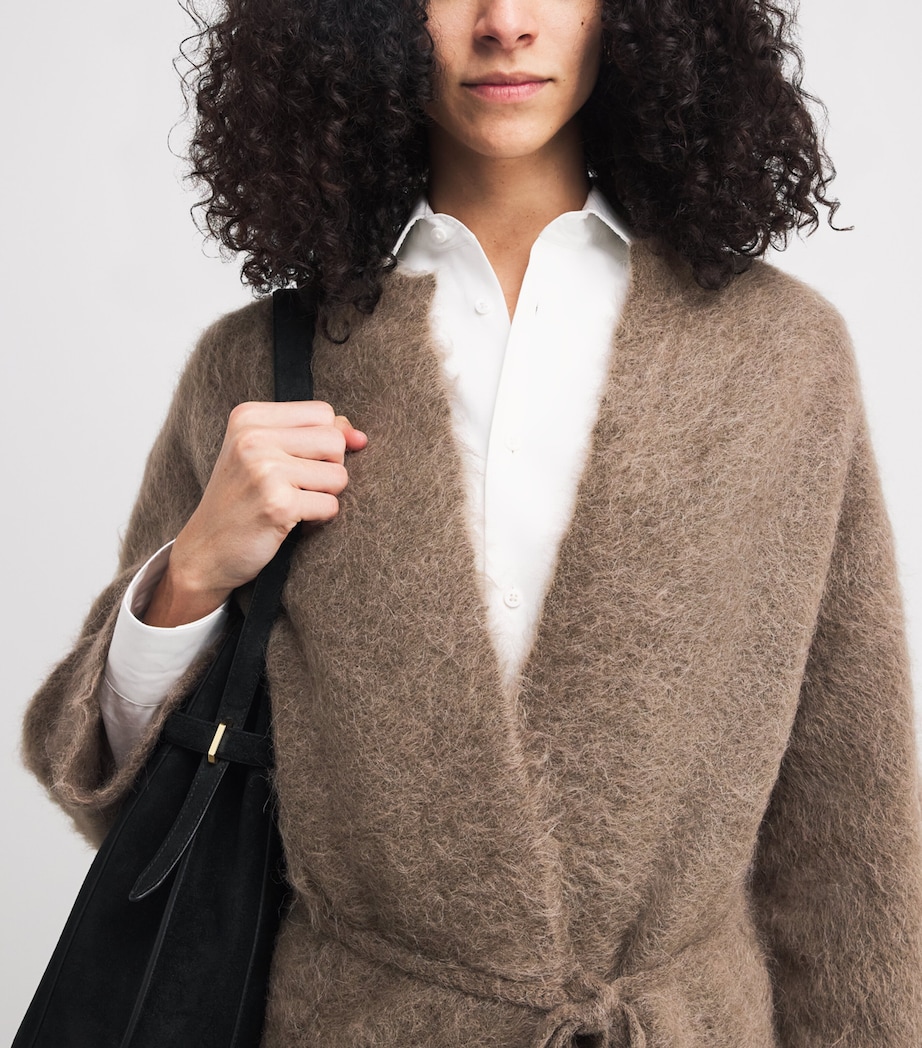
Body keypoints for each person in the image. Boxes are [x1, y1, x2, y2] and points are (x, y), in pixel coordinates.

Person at [22, 0, 922, 1045]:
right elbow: (116, 796)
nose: (504, 24)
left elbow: (849, 815)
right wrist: (188, 579)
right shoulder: (261, 362)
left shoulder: (781, 354)